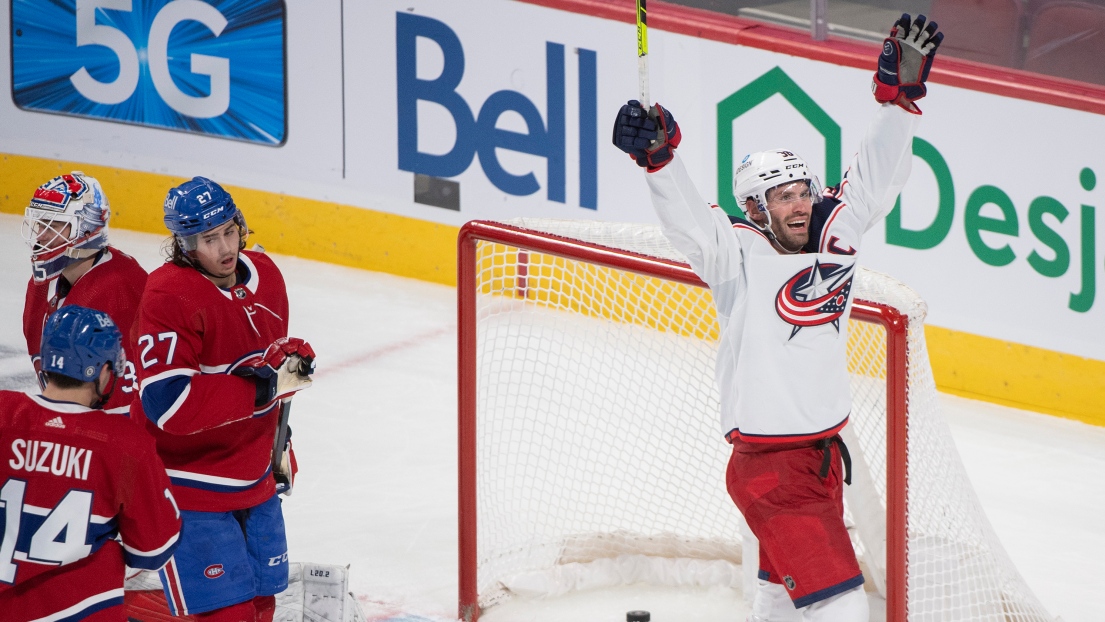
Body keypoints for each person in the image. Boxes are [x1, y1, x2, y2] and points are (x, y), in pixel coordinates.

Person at [612, 14, 943, 622]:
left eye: (801, 189)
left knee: (775, 599)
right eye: (781, 195)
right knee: (842, 608)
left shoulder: (836, 230)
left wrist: (896, 103)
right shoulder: (736, 255)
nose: (798, 202)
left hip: (819, 460)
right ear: (755, 210)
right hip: (771, 470)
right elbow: (690, 222)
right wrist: (659, 162)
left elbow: (876, 174)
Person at [132, 176, 315, 620]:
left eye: (229, 231)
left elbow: (264, 366)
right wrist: (264, 389)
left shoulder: (266, 275)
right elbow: (167, 403)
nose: (224, 248)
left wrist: (280, 438)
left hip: (254, 476)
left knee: (262, 603)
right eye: (208, 239)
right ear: (185, 245)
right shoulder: (167, 294)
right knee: (226, 615)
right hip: (189, 485)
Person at [0, 305, 181, 620]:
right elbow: (152, 552)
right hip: (78, 611)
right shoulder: (125, 444)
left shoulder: (4, 412)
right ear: (102, 371)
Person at [21, 171, 148, 416]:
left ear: (87, 229)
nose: (40, 237)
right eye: (41, 224)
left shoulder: (120, 289)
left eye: (55, 225)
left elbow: (123, 403)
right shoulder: (44, 279)